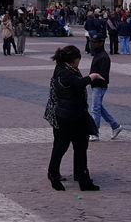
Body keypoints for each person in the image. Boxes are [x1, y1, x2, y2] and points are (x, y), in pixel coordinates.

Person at [44, 44, 103, 191]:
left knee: (78, 146)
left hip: (70, 114)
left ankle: (80, 176)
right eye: (78, 59)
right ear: (73, 60)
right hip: (68, 115)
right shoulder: (64, 72)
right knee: (63, 146)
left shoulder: (64, 68)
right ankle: (55, 174)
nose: (79, 62)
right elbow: (77, 83)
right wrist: (92, 76)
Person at [88, 36, 121, 141]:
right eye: (92, 42)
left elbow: (103, 75)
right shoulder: (98, 54)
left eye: (94, 42)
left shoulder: (103, 57)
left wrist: (93, 78)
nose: (92, 44)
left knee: (95, 109)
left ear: (101, 43)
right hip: (96, 85)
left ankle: (95, 132)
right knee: (98, 108)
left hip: (99, 86)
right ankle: (115, 126)